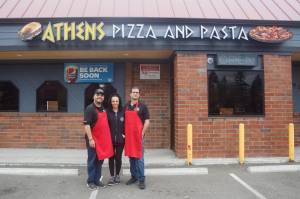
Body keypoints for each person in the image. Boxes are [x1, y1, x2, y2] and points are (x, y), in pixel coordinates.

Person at [83, 88, 114, 190]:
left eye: (101, 95)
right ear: (94, 96)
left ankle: (97, 180)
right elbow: (87, 125)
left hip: (102, 141)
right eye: (97, 94)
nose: (99, 96)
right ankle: (90, 181)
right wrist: (91, 139)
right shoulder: (89, 109)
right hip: (93, 141)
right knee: (92, 161)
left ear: (103, 97)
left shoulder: (103, 109)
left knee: (99, 161)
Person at [125, 86, 150, 190]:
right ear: (130, 94)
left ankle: (141, 179)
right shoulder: (126, 106)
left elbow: (147, 121)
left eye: (137, 92)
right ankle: (134, 176)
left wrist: (142, 133)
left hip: (138, 137)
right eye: (133, 92)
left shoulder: (143, 106)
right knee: (131, 157)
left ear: (139, 95)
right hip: (129, 137)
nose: (135, 94)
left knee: (139, 158)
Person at [107, 93, 125, 186]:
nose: (115, 102)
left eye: (116, 101)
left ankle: (117, 175)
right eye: (113, 101)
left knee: (118, 158)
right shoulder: (107, 112)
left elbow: (127, 124)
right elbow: (105, 126)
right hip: (109, 140)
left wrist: (124, 134)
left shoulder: (123, 112)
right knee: (111, 158)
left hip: (120, 140)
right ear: (111, 102)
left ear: (119, 102)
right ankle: (111, 176)